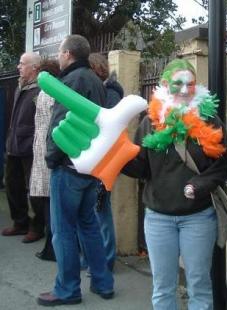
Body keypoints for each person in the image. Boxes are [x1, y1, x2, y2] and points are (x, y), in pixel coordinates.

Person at [123, 58, 227, 309]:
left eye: (190, 84)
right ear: (165, 85)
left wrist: (198, 185)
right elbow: (142, 167)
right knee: (163, 287)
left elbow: (221, 167)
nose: (184, 89)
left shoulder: (209, 120)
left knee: (199, 285)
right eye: (177, 84)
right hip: (158, 217)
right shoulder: (151, 121)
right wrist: (118, 158)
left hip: (198, 217)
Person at [37, 34, 114, 306]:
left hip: (68, 167)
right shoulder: (95, 80)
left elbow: (60, 126)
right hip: (89, 167)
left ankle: (67, 289)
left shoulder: (71, 81)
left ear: (68, 53)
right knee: (89, 226)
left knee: (64, 231)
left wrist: (51, 158)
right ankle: (103, 283)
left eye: (60, 52)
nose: (58, 57)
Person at [77, 52, 125, 272]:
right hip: (94, 157)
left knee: (100, 210)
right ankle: (90, 258)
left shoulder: (110, 93)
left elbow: (106, 126)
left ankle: (106, 260)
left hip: (104, 159)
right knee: (91, 211)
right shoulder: (102, 90)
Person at [2, 52, 45, 243]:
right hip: (14, 144)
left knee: (34, 189)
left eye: (22, 63)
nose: (18, 67)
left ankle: (37, 227)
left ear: (34, 68)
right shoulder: (21, 86)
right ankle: (20, 223)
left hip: (30, 147)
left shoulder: (42, 89)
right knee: (12, 185)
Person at [32, 58, 60, 262]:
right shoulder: (52, 92)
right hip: (45, 150)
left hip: (45, 152)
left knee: (50, 202)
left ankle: (51, 247)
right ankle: (50, 246)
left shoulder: (47, 92)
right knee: (50, 201)